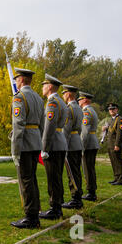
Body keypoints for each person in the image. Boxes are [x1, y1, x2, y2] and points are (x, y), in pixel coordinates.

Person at [10, 68, 44, 229]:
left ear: (21, 80)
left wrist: (15, 150)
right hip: (35, 141)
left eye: (17, 79)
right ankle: (35, 212)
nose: (15, 81)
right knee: (32, 178)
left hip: (24, 143)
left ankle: (31, 217)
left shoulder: (19, 97)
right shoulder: (38, 98)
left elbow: (18, 124)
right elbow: (42, 124)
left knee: (26, 180)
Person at [39, 74, 68, 220]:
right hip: (59, 141)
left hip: (53, 144)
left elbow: (49, 127)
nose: (42, 87)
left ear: (50, 87)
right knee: (57, 176)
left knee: (53, 177)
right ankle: (58, 205)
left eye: (44, 85)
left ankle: (55, 208)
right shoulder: (60, 101)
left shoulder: (52, 103)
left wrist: (44, 147)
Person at [61, 85, 84, 209]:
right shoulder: (79, 108)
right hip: (77, 141)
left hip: (70, 143)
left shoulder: (69, 109)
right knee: (76, 171)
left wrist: (63, 146)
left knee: (72, 172)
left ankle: (75, 198)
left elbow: (66, 130)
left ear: (69, 94)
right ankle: (78, 196)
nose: (63, 95)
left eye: (64, 93)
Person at [77, 92, 99, 201]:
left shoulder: (86, 112)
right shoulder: (91, 111)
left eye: (80, 99)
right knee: (90, 168)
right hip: (92, 141)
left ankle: (91, 192)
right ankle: (91, 190)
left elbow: (85, 132)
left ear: (85, 100)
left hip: (89, 143)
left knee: (87, 168)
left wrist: (82, 147)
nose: (78, 101)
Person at [103, 103, 122, 185]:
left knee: (118, 162)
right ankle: (116, 178)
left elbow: (119, 134)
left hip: (115, 145)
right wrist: (106, 128)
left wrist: (117, 144)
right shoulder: (112, 120)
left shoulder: (120, 119)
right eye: (110, 109)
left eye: (113, 109)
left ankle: (120, 180)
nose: (111, 110)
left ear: (117, 109)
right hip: (110, 144)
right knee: (113, 162)